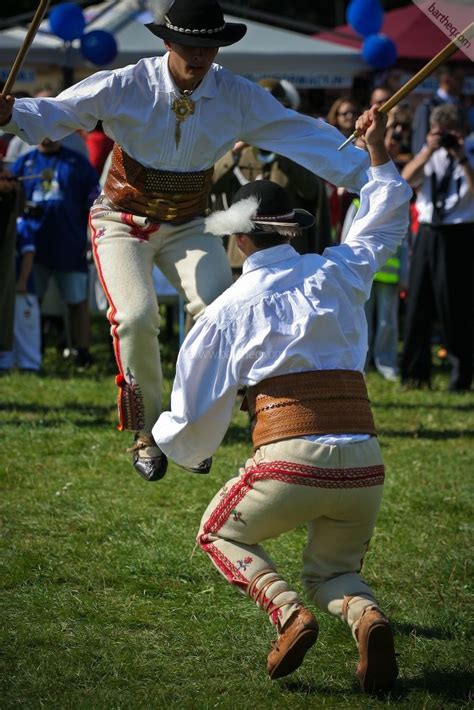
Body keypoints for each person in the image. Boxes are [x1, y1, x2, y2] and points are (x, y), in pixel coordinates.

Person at [0, 0, 370, 483]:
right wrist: (13, 112)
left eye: (209, 45)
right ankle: (146, 432)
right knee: (135, 318)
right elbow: (60, 110)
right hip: (121, 219)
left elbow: (299, 132)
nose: (199, 55)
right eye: (190, 44)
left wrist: (366, 156)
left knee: (220, 308)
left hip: (190, 223)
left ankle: (192, 429)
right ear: (168, 41)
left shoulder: (237, 95)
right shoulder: (126, 83)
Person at [152, 108, 411, 690]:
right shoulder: (337, 273)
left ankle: (286, 612)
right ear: (289, 230)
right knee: (336, 572)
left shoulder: (224, 313)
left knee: (217, 532)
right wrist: (376, 154)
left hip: (290, 462)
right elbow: (387, 216)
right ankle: (365, 616)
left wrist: (176, 447)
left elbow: (194, 407)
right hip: (365, 465)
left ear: (239, 237)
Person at [212, 77, 332, 275]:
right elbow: (211, 186)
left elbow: (311, 192)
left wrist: (288, 150)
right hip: (241, 258)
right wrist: (233, 152)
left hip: (286, 257)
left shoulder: (294, 152)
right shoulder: (235, 152)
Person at [9, 138, 101, 370]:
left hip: (69, 246)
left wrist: (92, 234)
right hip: (33, 248)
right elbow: (10, 196)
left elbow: (95, 198)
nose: (48, 135)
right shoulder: (24, 163)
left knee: (77, 302)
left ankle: (83, 355)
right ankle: (31, 352)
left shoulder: (76, 162)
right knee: (31, 301)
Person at [401, 103, 474, 391]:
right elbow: (405, 179)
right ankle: (416, 374)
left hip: (460, 232)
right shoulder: (427, 153)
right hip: (429, 232)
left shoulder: (469, 150)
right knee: (418, 301)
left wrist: (462, 157)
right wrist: (429, 149)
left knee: (456, 306)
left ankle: (461, 375)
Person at [0, 201, 41, 374]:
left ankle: (29, 364)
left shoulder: (21, 225)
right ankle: (5, 363)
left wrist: (22, 281)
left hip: (21, 289)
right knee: (6, 327)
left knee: (25, 328)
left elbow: (28, 253)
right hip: (6, 289)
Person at [411, 64, 465, 156]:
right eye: (459, 79)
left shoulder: (461, 106)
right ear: (446, 79)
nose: (463, 84)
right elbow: (419, 145)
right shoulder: (428, 107)